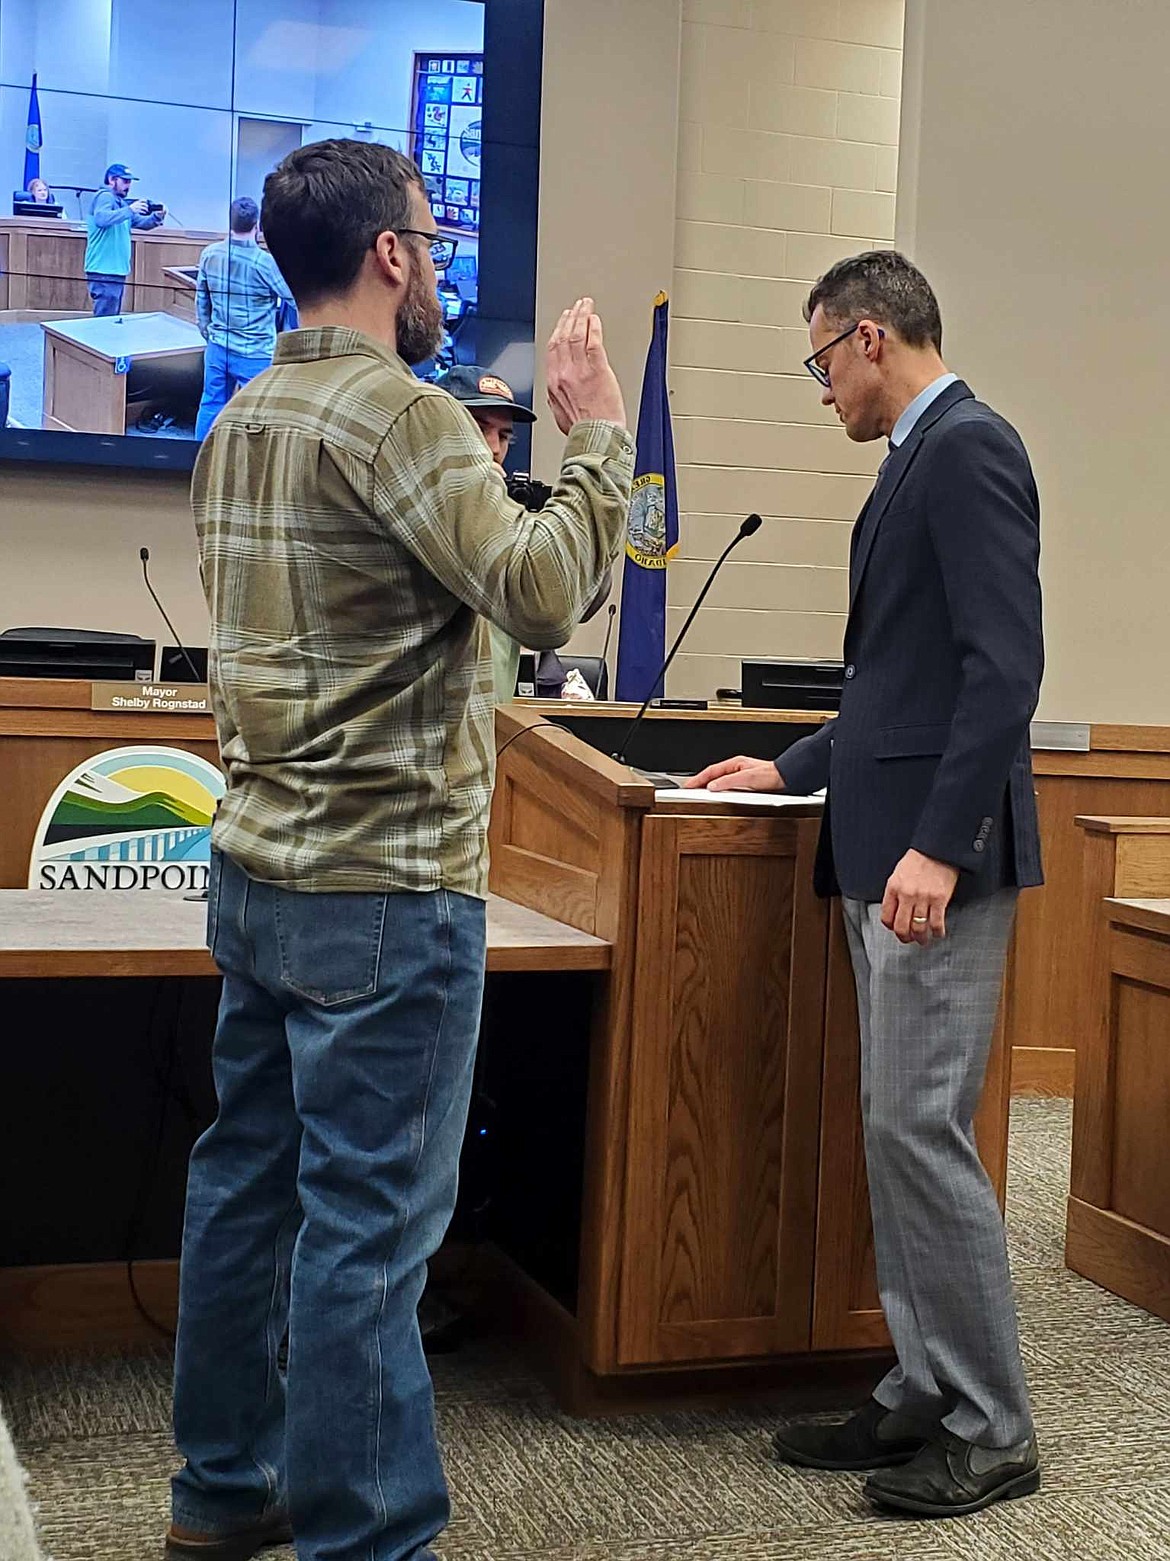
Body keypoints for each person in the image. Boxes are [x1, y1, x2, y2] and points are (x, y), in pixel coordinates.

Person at [167, 138, 632, 1561]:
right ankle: (365, 1541)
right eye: (426, 240)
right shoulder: (408, 418)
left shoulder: (238, 421)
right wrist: (600, 438)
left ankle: (221, 1495)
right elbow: (546, 596)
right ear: (388, 254)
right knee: (368, 1238)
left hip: (258, 880)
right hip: (386, 897)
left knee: (245, 1193)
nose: (432, 265)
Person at [687, 250, 1044, 1520]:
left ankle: (994, 1421)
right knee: (893, 1133)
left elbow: (1004, 672)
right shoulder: (917, 460)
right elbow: (901, 687)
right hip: (882, 845)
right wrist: (786, 766)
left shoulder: (969, 451)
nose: (821, 386)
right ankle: (922, 1384)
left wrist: (941, 847)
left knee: (922, 1133)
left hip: (932, 864)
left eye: (821, 359)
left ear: (874, 337)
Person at [441, 362, 613, 700]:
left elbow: (572, 606)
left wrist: (575, 533)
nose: (494, 448)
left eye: (504, 436)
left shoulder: (507, 520)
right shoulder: (416, 511)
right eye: (479, 427)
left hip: (494, 729)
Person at [194, 196, 295, 441]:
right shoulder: (264, 263)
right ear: (257, 225)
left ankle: (195, 459)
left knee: (210, 404)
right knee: (257, 416)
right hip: (256, 353)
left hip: (218, 347)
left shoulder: (210, 254)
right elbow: (293, 298)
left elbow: (201, 299)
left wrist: (207, 329)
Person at [83, 162, 165, 317]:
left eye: (130, 182)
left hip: (116, 269)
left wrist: (157, 216)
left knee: (111, 317)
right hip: (103, 270)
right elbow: (101, 219)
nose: (128, 186)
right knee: (104, 320)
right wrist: (130, 209)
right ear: (112, 180)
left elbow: (141, 223)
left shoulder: (120, 204)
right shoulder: (104, 196)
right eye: (125, 181)